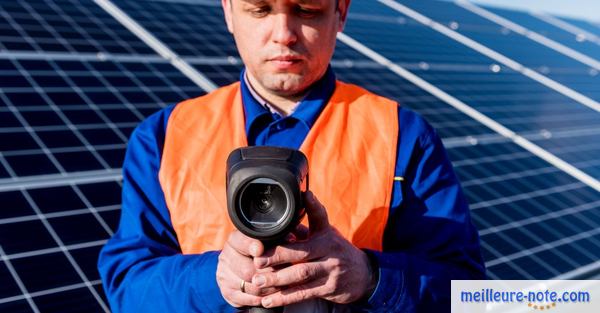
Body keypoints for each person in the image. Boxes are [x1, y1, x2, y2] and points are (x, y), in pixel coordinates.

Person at [97, 0, 485, 312]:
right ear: (229, 11)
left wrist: (371, 277)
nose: (283, 34)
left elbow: (474, 297)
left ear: (342, 12)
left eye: (307, 10)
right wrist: (213, 280)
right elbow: (127, 288)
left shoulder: (404, 135)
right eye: (260, 9)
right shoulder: (164, 137)